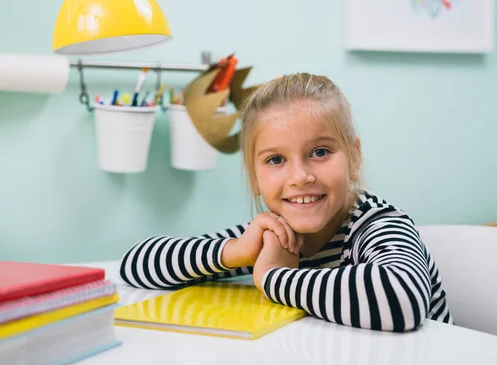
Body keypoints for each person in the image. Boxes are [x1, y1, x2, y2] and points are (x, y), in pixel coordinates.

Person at [119, 73, 452, 332]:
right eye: (276, 160)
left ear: (353, 157)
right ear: (255, 176)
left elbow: (400, 299)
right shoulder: (273, 232)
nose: (299, 176)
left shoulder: (378, 225)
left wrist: (274, 278)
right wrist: (234, 252)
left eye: (320, 152)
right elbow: (135, 263)